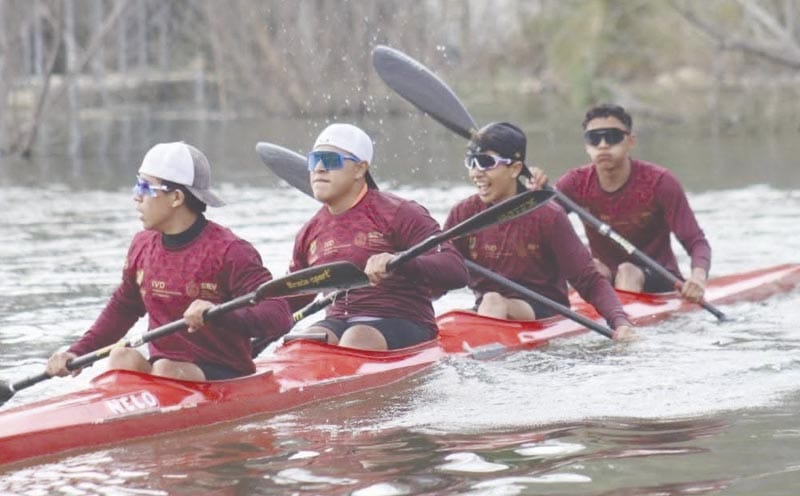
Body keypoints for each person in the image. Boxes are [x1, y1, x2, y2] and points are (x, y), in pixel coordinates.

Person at [46, 142, 294, 381]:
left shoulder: (231, 251)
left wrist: (218, 315)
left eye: (145, 187)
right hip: (166, 370)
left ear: (176, 197)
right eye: (137, 184)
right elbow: (124, 307)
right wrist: (78, 351)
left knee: (167, 369)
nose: (136, 196)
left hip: (225, 373)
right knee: (122, 357)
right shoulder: (142, 245)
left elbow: (279, 314)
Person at [445, 122, 634, 339]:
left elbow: (588, 279)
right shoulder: (463, 213)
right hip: (490, 310)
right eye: (471, 162)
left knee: (492, 300)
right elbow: (440, 278)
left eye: (486, 163)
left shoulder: (548, 216)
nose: (476, 173)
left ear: (515, 169)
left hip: (546, 313)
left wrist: (620, 322)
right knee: (488, 302)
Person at [290, 123, 469, 350]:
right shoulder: (310, 231)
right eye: (314, 160)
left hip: (405, 321)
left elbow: (455, 270)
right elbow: (294, 294)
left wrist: (399, 262)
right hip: (337, 322)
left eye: (331, 160)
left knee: (357, 337)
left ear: (359, 169)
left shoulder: (399, 213)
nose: (319, 168)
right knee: (304, 343)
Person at [530, 103, 711, 302]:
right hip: (605, 276)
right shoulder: (575, 183)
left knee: (627, 271)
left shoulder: (660, 182)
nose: (603, 145)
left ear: (630, 141)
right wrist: (532, 193)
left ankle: (625, 327)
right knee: (593, 268)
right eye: (594, 138)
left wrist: (698, 277)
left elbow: (695, 241)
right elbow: (538, 227)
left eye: (613, 136)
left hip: (661, 278)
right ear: (587, 146)